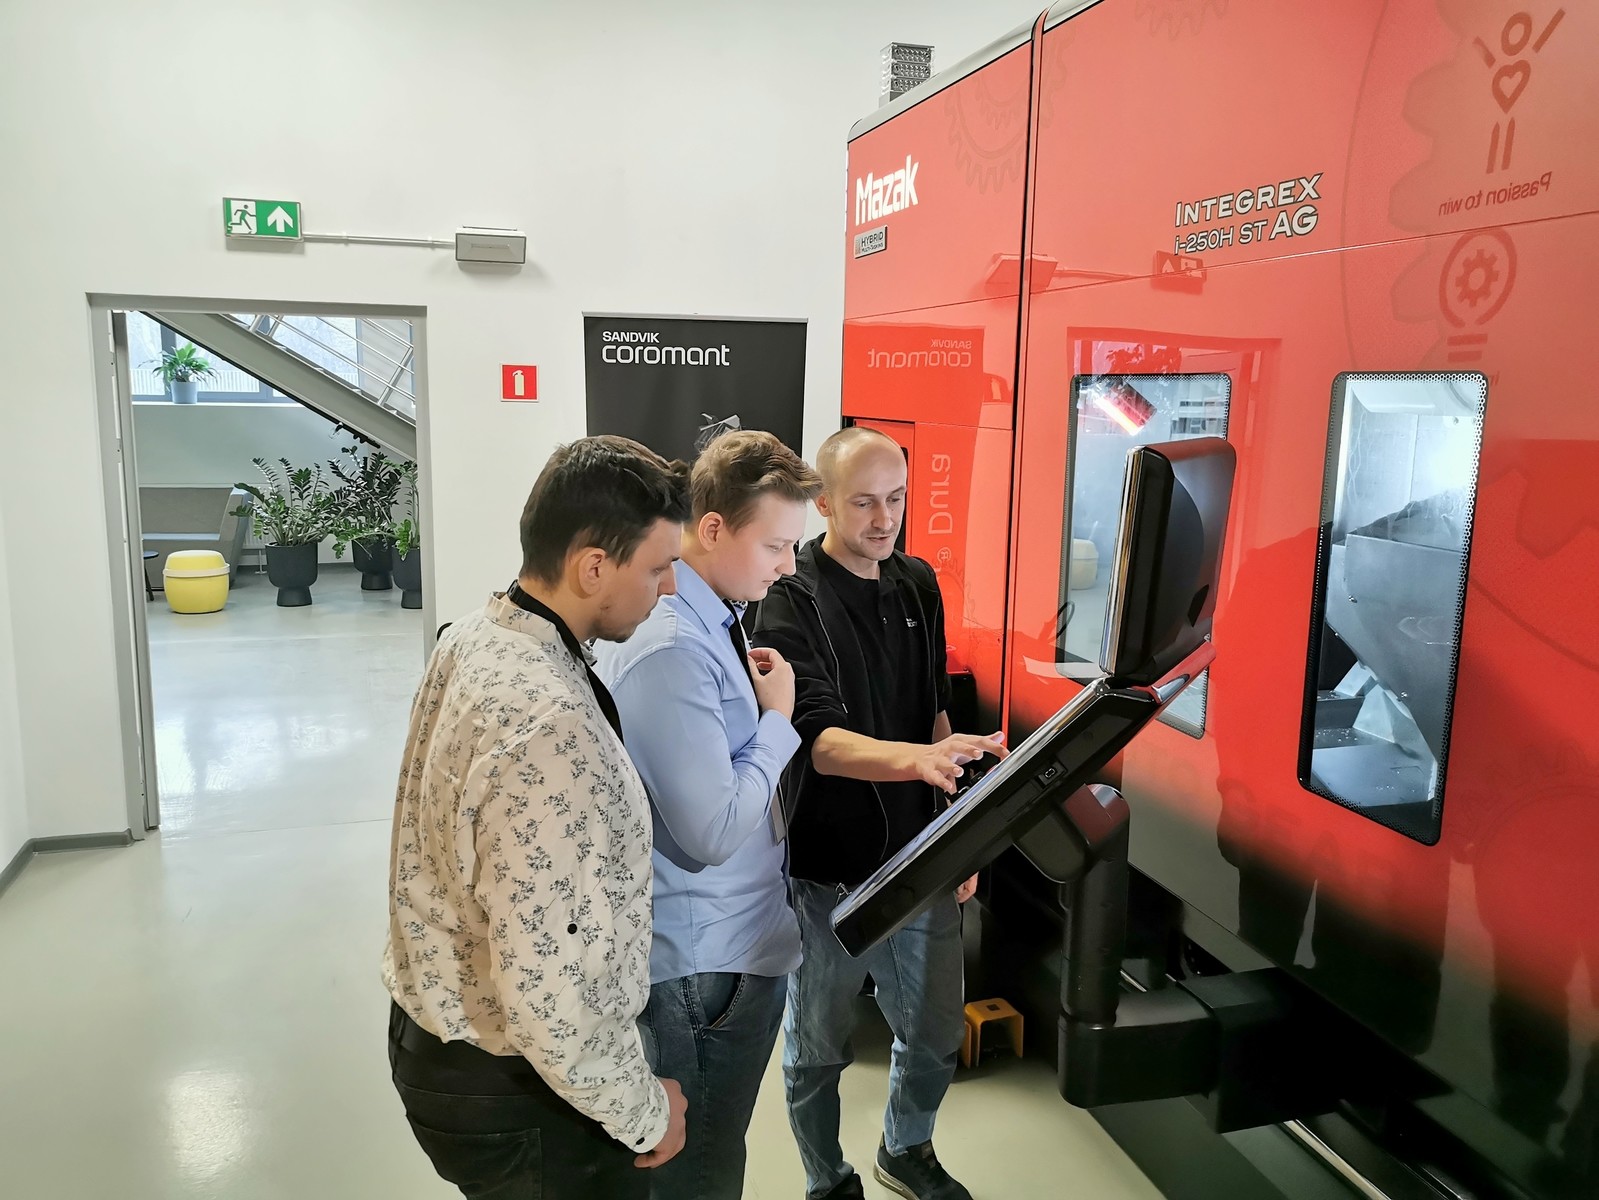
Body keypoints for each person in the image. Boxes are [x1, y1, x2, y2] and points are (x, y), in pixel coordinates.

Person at [383, 435, 692, 1200]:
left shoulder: (475, 636)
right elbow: (548, 991)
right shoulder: (549, 725)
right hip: (520, 1091)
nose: (669, 588)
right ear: (593, 568)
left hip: (436, 1038)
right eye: (656, 567)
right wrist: (645, 1112)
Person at [753, 426, 1007, 1200]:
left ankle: (906, 1148)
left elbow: (934, 713)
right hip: (828, 872)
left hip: (918, 858)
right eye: (864, 502)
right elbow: (820, 743)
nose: (884, 519)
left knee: (933, 1032)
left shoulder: (916, 583)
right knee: (817, 1048)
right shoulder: (789, 597)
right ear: (824, 503)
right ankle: (825, 1179)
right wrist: (920, 761)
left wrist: (955, 829)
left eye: (895, 499)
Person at [595, 429, 823, 1199]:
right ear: (715, 527)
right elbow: (713, 832)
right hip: (704, 967)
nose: (788, 566)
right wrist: (777, 720)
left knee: (710, 1157)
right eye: (776, 547)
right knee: (700, 1172)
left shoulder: (713, 618)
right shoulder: (673, 646)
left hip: (729, 944)